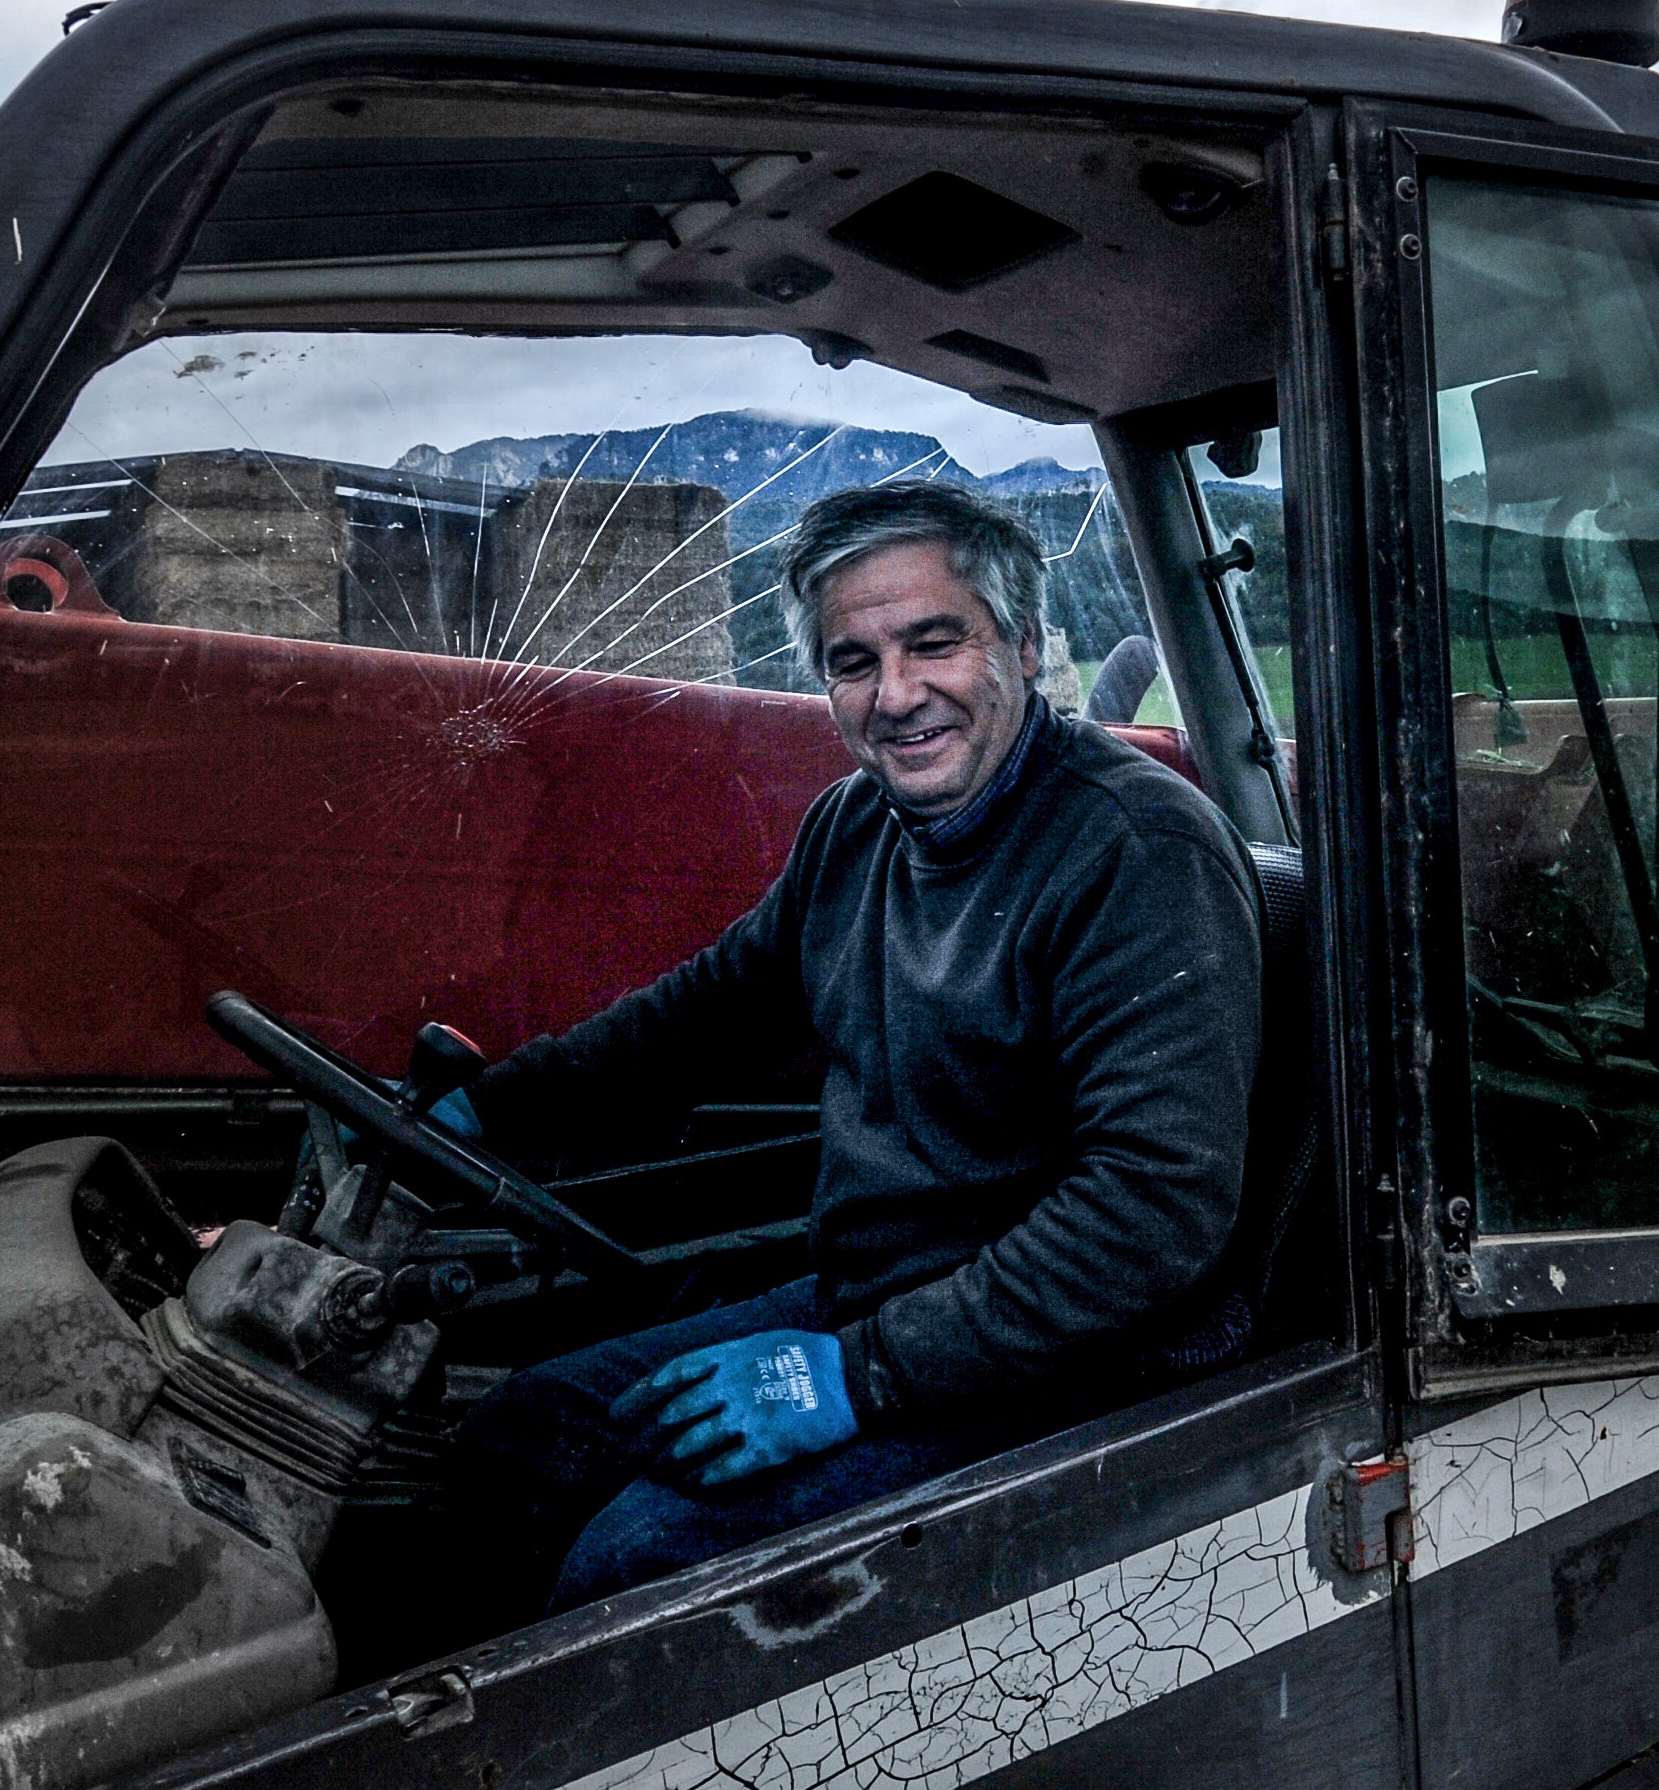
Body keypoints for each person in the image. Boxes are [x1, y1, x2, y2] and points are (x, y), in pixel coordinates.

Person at [436, 479, 1264, 1622]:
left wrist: (854, 1376)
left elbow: (1152, 1210)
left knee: (639, 1562)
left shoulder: (1134, 849)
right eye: (852, 661)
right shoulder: (856, 825)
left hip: (1074, 1354)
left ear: (1022, 647)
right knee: (522, 1436)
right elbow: (705, 1015)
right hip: (880, 1302)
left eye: (935, 644)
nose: (897, 695)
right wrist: (488, 1110)